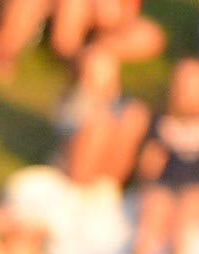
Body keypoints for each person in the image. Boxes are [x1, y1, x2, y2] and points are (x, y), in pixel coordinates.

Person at [130, 58, 199, 254]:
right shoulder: (161, 117)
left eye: (196, 87)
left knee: (193, 204)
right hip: (165, 182)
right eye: (184, 86)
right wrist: (147, 165)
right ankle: (142, 249)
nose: (189, 93)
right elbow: (147, 162)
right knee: (155, 203)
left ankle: (176, 251)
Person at [51, 45, 148, 191]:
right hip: (74, 162)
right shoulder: (75, 103)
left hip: (110, 168)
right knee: (99, 128)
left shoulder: (126, 105)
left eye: (105, 69)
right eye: (94, 71)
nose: (100, 75)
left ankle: (109, 187)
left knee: (133, 118)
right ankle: (80, 188)